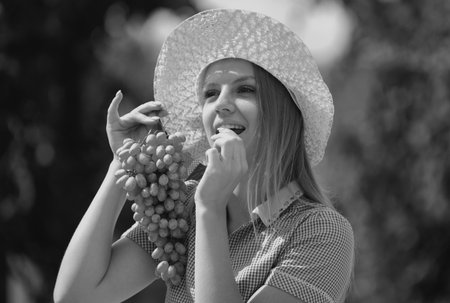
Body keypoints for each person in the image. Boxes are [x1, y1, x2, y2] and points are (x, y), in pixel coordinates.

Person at [54, 8, 354, 303]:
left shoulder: (320, 230)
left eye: (245, 90)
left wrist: (210, 208)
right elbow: (76, 296)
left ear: (282, 113)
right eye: (210, 94)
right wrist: (123, 163)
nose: (221, 104)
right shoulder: (184, 207)